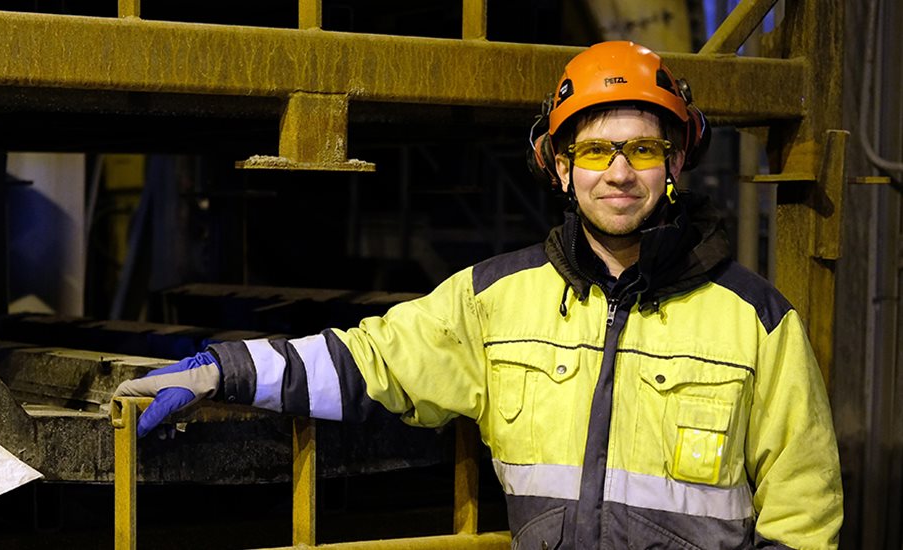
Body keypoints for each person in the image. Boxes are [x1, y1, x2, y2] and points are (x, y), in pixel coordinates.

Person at [115, 41, 843, 549]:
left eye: (643, 149)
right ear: (560, 168)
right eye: (594, 150)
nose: (618, 172)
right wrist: (225, 370)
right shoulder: (495, 300)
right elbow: (374, 361)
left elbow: (803, 513)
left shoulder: (757, 321)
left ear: (676, 161)